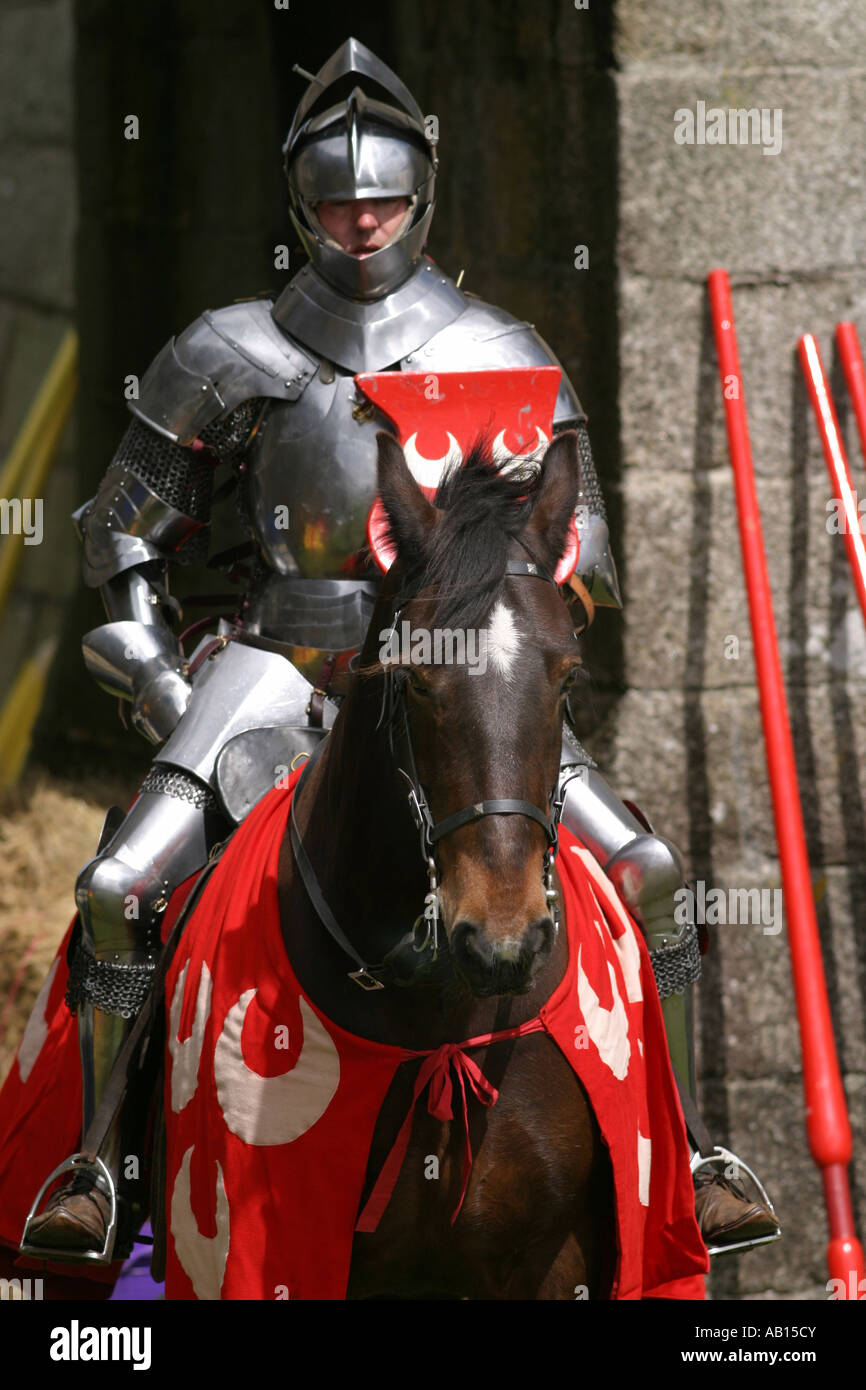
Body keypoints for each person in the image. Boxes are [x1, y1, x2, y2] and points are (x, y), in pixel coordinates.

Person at [22, 38, 778, 1263]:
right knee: (120, 887)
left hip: (462, 661)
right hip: (278, 650)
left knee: (644, 865)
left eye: (379, 200)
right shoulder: (227, 352)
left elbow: (583, 540)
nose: (359, 221)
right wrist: (171, 691)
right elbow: (117, 541)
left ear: (421, 198)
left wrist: (526, 608)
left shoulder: (504, 350)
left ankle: (690, 1153)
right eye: (336, 200)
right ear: (297, 202)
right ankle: (101, 1165)